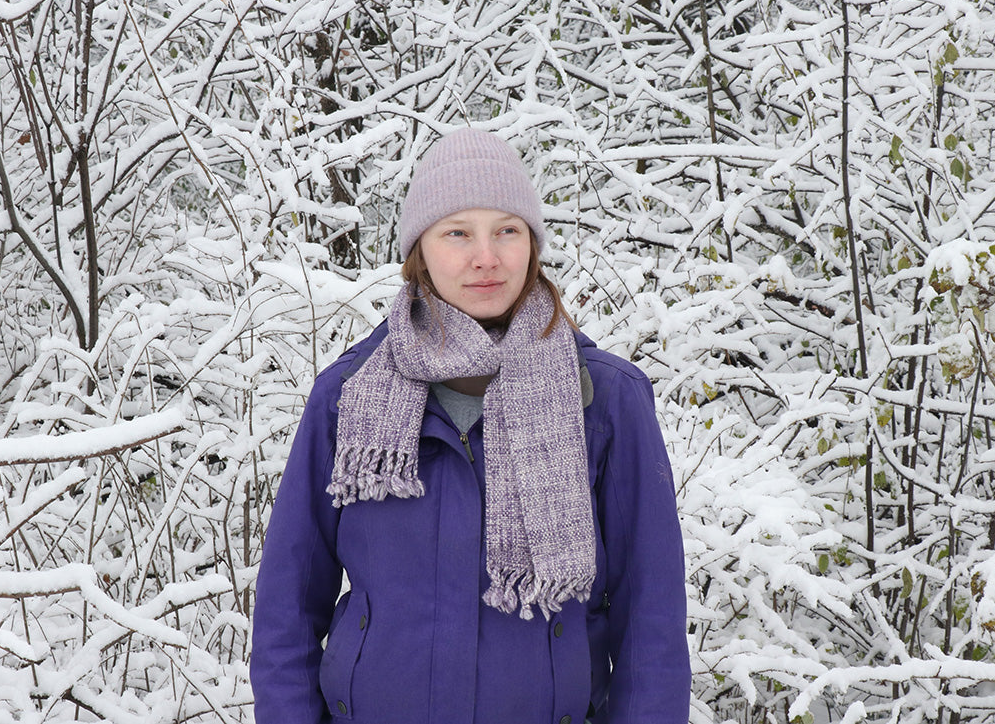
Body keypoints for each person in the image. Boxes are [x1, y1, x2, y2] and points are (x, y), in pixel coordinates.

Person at [250, 128, 691, 724]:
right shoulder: (347, 398)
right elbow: (287, 607)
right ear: (419, 250)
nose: (486, 257)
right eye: (458, 232)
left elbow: (652, 620)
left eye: (507, 230)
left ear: (531, 244)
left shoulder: (605, 400)